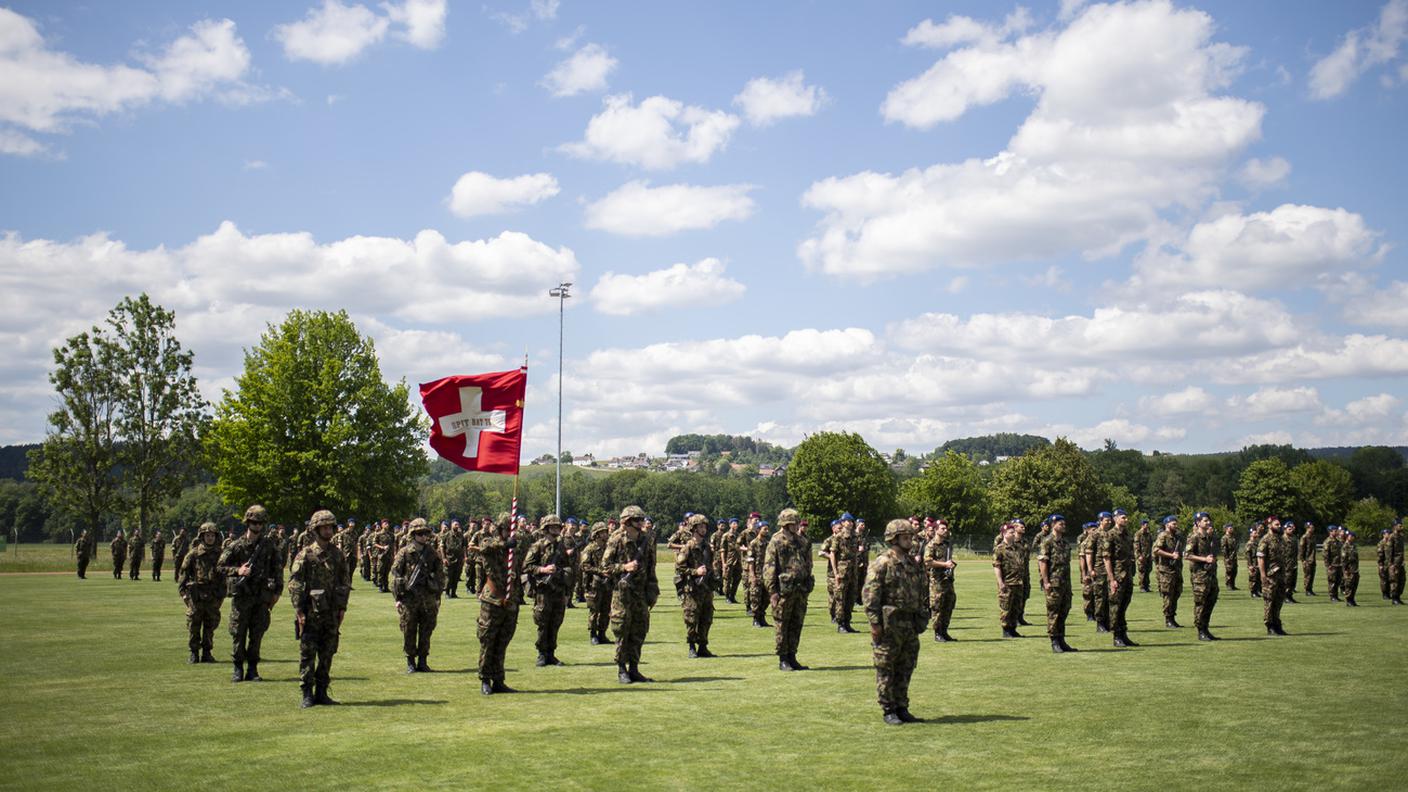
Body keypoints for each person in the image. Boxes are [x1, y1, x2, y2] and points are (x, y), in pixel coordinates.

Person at [863, 519, 928, 725]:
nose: (910, 540)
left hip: (909, 624)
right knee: (886, 667)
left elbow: (920, 592)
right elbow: (870, 594)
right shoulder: (883, 562)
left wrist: (921, 616)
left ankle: (902, 706)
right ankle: (888, 708)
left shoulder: (911, 563)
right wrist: (874, 623)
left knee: (906, 666)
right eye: (905, 537)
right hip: (889, 625)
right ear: (894, 539)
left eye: (910, 537)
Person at [288, 509, 349, 707]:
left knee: (327, 652)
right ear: (316, 529)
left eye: (330, 527)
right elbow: (295, 583)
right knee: (307, 654)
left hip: (331, 612)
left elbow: (344, 582)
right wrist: (299, 610)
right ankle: (307, 693)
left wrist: (342, 607)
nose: (328, 530)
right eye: (324, 527)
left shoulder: (337, 555)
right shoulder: (305, 554)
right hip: (310, 612)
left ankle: (322, 692)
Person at [217, 505, 283, 683]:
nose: (258, 526)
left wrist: (277, 592)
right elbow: (220, 567)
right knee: (238, 633)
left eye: (260, 522)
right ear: (248, 522)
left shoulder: (268, 545)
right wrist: (238, 570)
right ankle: (238, 668)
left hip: (261, 596)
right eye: (254, 522)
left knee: (257, 634)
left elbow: (277, 569)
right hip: (242, 597)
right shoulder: (236, 546)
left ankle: (252, 669)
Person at [603, 505, 658, 683]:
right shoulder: (616, 539)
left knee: (639, 630)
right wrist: (624, 567)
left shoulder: (646, 539)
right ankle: (621, 669)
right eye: (638, 520)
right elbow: (605, 566)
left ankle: (634, 668)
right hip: (622, 594)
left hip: (640, 593)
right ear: (628, 522)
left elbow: (651, 568)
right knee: (622, 630)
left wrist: (653, 590)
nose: (642, 523)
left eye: (642, 520)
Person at [472, 513, 518, 695]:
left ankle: (499, 679)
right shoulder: (490, 543)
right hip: (492, 598)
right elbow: (484, 547)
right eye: (508, 529)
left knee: (503, 641)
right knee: (488, 640)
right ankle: (485, 678)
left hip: (509, 599)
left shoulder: (513, 549)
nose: (510, 533)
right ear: (500, 529)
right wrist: (504, 544)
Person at [392, 518, 445, 673]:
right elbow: (394, 574)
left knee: (426, 630)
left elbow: (441, 575)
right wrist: (398, 597)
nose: (423, 537)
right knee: (409, 629)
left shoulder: (432, 553)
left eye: (425, 533)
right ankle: (410, 661)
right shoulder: (404, 553)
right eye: (420, 533)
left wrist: (437, 594)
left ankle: (423, 661)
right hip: (410, 598)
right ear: (413, 534)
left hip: (427, 597)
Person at [765, 508, 814, 671]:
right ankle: (783, 658)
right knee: (782, 624)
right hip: (784, 590)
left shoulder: (802, 541)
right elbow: (770, 567)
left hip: (800, 590)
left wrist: (807, 581)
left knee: (796, 624)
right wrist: (772, 591)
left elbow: (808, 563)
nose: (796, 525)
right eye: (793, 523)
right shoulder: (776, 541)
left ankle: (792, 656)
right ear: (786, 524)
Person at [524, 514, 571, 667]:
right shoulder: (537, 546)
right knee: (543, 622)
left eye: (558, 527)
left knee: (556, 622)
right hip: (544, 591)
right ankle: (542, 653)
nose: (556, 529)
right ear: (546, 529)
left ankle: (551, 653)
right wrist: (543, 569)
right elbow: (526, 566)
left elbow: (567, 566)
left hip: (558, 589)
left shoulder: (561, 546)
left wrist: (563, 574)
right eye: (553, 527)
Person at [178, 522, 226, 664]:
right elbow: (183, 575)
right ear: (202, 536)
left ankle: (207, 652)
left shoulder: (220, 554)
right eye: (207, 535)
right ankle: (193, 653)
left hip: (213, 595)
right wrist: (184, 595)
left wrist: (221, 595)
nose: (210, 538)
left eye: (212, 535)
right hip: (196, 595)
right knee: (194, 624)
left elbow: (224, 576)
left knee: (210, 625)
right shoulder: (193, 554)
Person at [676, 514, 717, 658]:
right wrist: (695, 571)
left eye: (705, 526)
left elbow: (712, 564)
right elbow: (679, 567)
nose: (703, 529)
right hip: (693, 589)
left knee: (707, 617)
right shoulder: (688, 547)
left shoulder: (707, 547)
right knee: (692, 618)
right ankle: (692, 646)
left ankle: (703, 646)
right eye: (700, 526)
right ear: (694, 528)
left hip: (706, 588)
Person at [1037, 514, 1076, 653]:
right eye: (1060, 523)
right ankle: (1054, 640)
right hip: (1054, 583)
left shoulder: (1065, 543)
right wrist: (1046, 582)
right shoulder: (1047, 542)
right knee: (1053, 612)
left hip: (1065, 583)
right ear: (1053, 525)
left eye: (1064, 523)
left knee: (1064, 610)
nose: (1063, 525)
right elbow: (1043, 563)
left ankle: (1061, 639)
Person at [1102, 508, 1138, 647]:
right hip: (1117, 576)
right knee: (1115, 607)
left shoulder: (1127, 535)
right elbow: (1107, 558)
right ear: (1115, 519)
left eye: (1126, 517)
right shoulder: (1110, 535)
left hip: (1127, 575)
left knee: (1124, 605)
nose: (1126, 520)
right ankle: (1116, 636)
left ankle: (1123, 634)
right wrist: (1111, 579)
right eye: (1123, 517)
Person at [1184, 512, 1220, 641]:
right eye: (1205, 521)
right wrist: (1204, 559)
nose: (1208, 522)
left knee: (1211, 600)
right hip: (1200, 576)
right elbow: (1187, 555)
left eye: (1208, 520)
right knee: (1201, 603)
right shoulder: (1194, 537)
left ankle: (1206, 627)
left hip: (1210, 575)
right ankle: (1200, 630)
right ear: (1198, 523)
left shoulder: (1210, 537)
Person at [923, 519, 957, 642]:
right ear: (936, 530)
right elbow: (928, 562)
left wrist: (951, 564)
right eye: (942, 528)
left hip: (948, 581)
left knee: (948, 605)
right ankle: (938, 633)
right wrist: (944, 565)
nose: (945, 530)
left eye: (946, 528)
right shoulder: (931, 545)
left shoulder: (946, 545)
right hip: (937, 582)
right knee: (937, 607)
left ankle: (944, 631)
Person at [580, 521, 612, 644]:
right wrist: (600, 572)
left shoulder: (609, 547)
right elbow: (584, 565)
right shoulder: (590, 548)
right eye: (602, 532)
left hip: (608, 583)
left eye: (605, 532)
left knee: (606, 610)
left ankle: (602, 633)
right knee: (594, 610)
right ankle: (593, 634)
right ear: (596, 534)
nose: (605, 534)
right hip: (594, 583)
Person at [1257, 517, 1288, 633]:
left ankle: (1276, 623)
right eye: (1277, 524)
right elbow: (1261, 558)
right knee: (1269, 601)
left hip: (1280, 574)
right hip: (1270, 576)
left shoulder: (1280, 539)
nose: (1279, 526)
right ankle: (1269, 625)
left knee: (1278, 600)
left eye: (1279, 524)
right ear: (1269, 525)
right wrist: (1263, 575)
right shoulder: (1265, 540)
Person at [1152, 515, 1184, 628]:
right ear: (1167, 524)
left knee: (1176, 593)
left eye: (1176, 523)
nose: (1176, 525)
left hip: (1176, 569)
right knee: (1168, 595)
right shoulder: (1163, 535)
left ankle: (1172, 617)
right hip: (1166, 570)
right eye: (1173, 524)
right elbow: (1156, 550)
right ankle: (1168, 618)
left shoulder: (1177, 537)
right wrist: (1171, 555)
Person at [992, 523, 1024, 638]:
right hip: (1007, 583)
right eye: (1011, 532)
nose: (1014, 534)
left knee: (1016, 607)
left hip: (1018, 582)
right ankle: (1006, 630)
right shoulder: (999, 549)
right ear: (1004, 534)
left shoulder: (1019, 547)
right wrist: (1000, 582)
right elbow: (997, 566)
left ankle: (1013, 628)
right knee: (1006, 607)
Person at [1085, 512, 1111, 632]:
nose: (1109, 522)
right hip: (1099, 569)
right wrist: (1090, 569)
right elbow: (1089, 553)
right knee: (1100, 597)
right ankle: (1100, 622)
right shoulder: (1094, 535)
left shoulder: (1110, 534)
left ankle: (1108, 621)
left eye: (1110, 520)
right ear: (1100, 521)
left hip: (1110, 570)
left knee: (1110, 597)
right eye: (1106, 520)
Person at [745, 520, 772, 628]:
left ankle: (762, 618)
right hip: (756, 574)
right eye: (764, 529)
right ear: (758, 530)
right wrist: (752, 575)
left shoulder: (768, 544)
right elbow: (750, 560)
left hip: (766, 575)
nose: (766, 531)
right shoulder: (753, 544)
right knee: (756, 597)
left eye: (767, 529)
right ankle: (756, 619)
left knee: (766, 598)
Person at [1134, 518, 1154, 592]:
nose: (1147, 525)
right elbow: (1136, 545)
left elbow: (1151, 544)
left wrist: (1152, 555)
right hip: (1141, 556)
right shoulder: (1138, 534)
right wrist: (1139, 556)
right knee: (1142, 571)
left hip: (1148, 556)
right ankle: (1142, 587)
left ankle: (1147, 586)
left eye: (1147, 524)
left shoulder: (1149, 534)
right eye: (1145, 524)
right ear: (1142, 525)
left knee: (1148, 571)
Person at [1341, 529, 1360, 607]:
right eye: (1351, 536)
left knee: (1354, 585)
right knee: (1349, 585)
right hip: (1349, 569)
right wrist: (1345, 569)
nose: (1352, 537)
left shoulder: (1353, 546)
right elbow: (1344, 559)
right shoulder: (1345, 546)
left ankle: (1352, 599)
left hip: (1355, 569)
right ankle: (1348, 600)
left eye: (1353, 536)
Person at [1324, 524, 1343, 601]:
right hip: (1332, 565)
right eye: (1335, 531)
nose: (1337, 532)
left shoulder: (1338, 541)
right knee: (1332, 581)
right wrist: (1328, 565)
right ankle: (1332, 596)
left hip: (1339, 564)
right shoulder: (1328, 541)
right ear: (1330, 532)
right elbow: (1325, 554)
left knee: (1338, 581)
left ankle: (1336, 595)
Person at [1299, 522, 1317, 596]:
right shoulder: (1304, 537)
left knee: (1312, 575)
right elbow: (1301, 549)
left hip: (1312, 559)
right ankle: (1307, 590)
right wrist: (1303, 560)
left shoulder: (1313, 536)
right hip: (1307, 559)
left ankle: (1310, 589)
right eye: (1311, 527)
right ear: (1307, 528)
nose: (1313, 528)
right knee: (1308, 575)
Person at [1390, 520, 1405, 605]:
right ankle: (1394, 598)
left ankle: (1398, 597)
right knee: (1394, 580)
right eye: (1400, 526)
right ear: (1395, 526)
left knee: (1402, 580)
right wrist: (1391, 564)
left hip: (1400, 562)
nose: (1401, 527)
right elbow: (1389, 551)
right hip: (1395, 563)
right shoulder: (1392, 537)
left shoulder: (1401, 536)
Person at [1220, 524, 1238, 591]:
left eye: (1232, 528)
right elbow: (1224, 548)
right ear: (1226, 529)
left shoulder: (1233, 538)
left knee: (1234, 571)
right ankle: (1228, 585)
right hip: (1228, 557)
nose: (1232, 529)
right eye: (1230, 528)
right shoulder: (1224, 538)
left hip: (1234, 557)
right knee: (1229, 571)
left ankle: (1233, 585)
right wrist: (1226, 558)